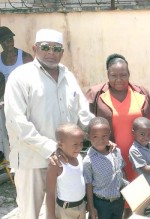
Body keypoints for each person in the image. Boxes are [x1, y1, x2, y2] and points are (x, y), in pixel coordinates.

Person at [4, 28, 94, 219]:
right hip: (32, 160)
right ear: (34, 48)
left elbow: (83, 111)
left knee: (61, 210)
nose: (51, 53)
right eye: (45, 47)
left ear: (62, 52)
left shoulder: (67, 76)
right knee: (31, 213)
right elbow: (17, 121)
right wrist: (51, 148)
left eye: (56, 48)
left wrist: (99, 135)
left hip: (64, 160)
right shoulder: (20, 77)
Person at [85, 53, 150, 217]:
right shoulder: (96, 95)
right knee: (115, 193)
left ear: (129, 74)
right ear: (107, 74)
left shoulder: (141, 92)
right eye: (114, 75)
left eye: (123, 75)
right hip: (110, 157)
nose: (119, 79)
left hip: (138, 156)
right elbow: (85, 121)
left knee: (137, 193)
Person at [83, 117, 129, 219]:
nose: (100, 140)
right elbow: (88, 185)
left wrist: (127, 188)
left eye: (104, 136)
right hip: (101, 204)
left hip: (118, 201)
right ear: (88, 137)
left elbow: (122, 171)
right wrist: (91, 207)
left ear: (109, 134)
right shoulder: (88, 161)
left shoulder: (116, 152)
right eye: (95, 136)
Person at [0, 26, 33, 160]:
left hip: (23, 99)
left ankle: (28, 156)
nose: (9, 42)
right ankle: (10, 158)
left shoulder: (24, 57)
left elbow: (34, 80)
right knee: (8, 131)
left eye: (11, 38)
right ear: (1, 43)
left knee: (25, 128)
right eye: (5, 40)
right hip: (5, 101)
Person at [46, 123, 86, 219]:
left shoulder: (79, 157)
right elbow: (50, 193)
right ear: (60, 144)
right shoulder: (56, 165)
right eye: (75, 144)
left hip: (81, 207)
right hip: (66, 211)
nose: (79, 147)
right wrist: (51, 215)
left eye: (81, 143)